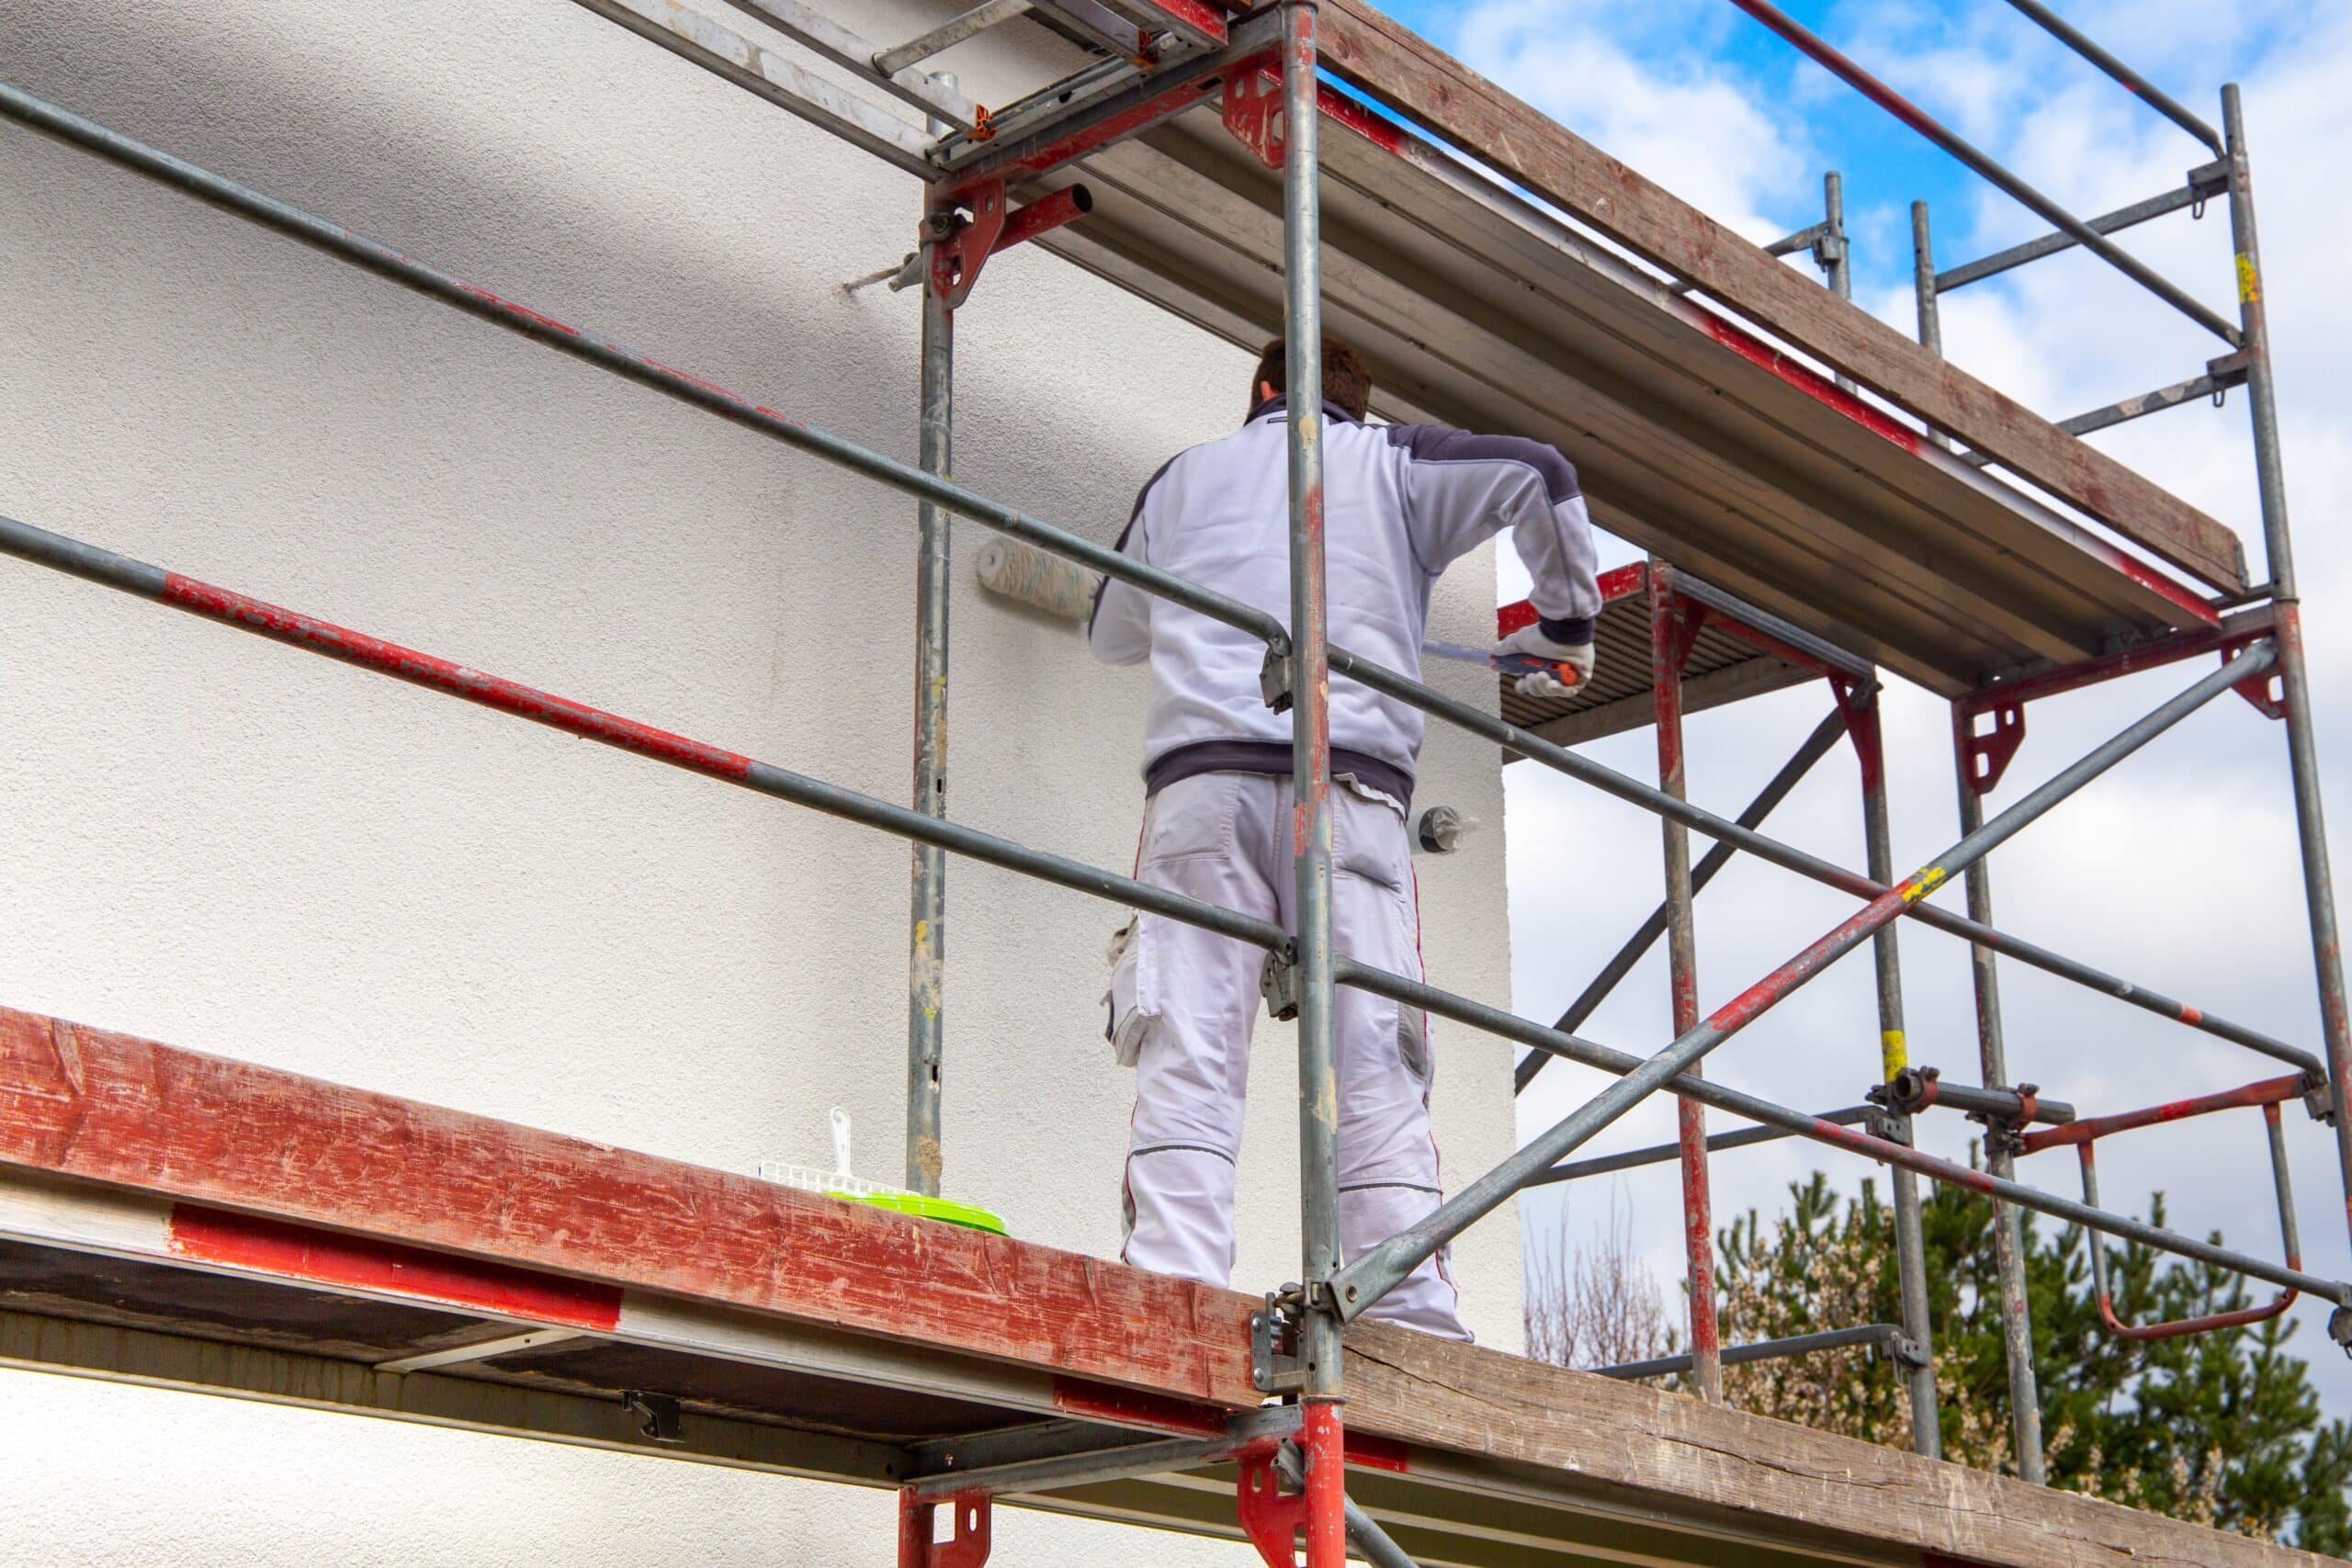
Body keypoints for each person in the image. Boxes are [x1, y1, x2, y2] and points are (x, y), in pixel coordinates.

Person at [1089, 336, 1599, 1338]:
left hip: (1201, 796)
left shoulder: (1182, 479)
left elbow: (1113, 627)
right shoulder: (1391, 463)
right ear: (1358, 406)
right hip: (1347, 798)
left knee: (1187, 1044)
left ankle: (1174, 1292)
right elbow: (1541, 475)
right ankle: (1403, 1313)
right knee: (1370, 1057)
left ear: (1262, 392)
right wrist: (1563, 630)